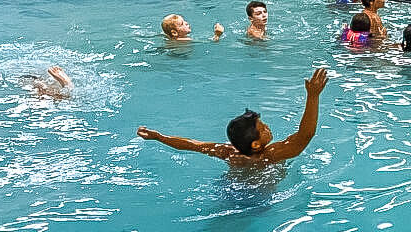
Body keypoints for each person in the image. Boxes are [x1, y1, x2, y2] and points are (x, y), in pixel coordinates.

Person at [137, 67, 328, 166]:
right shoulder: (270, 156)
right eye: (262, 129)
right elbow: (305, 135)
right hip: (259, 199)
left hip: (231, 189)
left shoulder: (227, 152)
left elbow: (192, 145)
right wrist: (313, 97)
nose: (267, 127)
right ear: (255, 144)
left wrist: (159, 137)